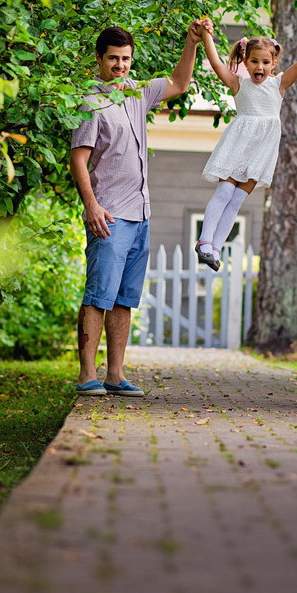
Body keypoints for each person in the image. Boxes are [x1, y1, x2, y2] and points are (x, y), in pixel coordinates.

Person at [70, 22, 203, 396]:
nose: (120, 65)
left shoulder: (136, 94)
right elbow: (78, 160)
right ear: (99, 59)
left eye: (125, 59)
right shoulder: (89, 103)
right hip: (108, 214)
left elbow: (178, 83)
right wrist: (91, 205)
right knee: (98, 295)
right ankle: (86, 376)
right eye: (113, 58)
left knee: (124, 299)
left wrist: (191, 42)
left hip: (141, 213)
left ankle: (115, 374)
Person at [194, 21, 297, 271]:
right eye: (254, 61)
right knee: (224, 193)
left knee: (236, 201)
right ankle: (204, 241)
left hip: (261, 151)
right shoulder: (238, 84)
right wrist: (206, 36)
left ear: (273, 64)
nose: (260, 67)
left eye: (266, 62)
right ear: (246, 62)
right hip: (238, 145)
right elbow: (215, 64)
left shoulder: (279, 85)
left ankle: (214, 249)